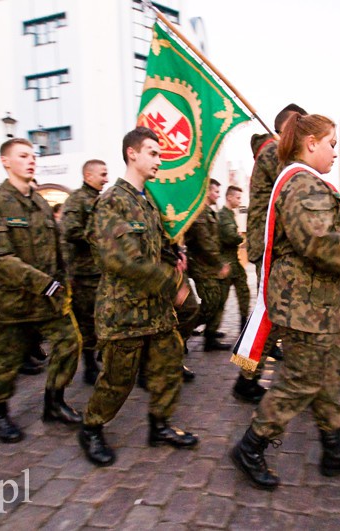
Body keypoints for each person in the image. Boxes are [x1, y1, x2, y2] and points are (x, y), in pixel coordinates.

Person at [231, 113, 340, 490]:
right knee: (299, 382)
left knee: (330, 378)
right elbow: (318, 244)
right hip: (305, 309)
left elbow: (335, 224)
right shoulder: (300, 184)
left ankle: (333, 451)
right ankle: (250, 447)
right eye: (331, 143)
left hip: (319, 308)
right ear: (310, 142)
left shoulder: (310, 184)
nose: (335, 153)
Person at [78, 127, 198, 467]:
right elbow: (123, 259)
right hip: (124, 311)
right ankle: (91, 427)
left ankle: (159, 425)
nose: (159, 160)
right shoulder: (112, 200)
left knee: (169, 366)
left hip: (156, 310)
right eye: (153, 153)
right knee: (117, 380)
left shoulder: (147, 202)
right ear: (132, 154)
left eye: (159, 154)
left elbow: (154, 248)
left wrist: (173, 257)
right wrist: (172, 284)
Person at [0, 138, 82, 443]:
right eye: (23, 156)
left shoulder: (39, 202)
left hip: (48, 297)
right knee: (6, 360)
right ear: (6, 162)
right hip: (10, 301)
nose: (31, 160)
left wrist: (64, 279)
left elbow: (58, 247)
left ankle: (54, 402)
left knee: (69, 342)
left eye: (33, 156)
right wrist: (44, 283)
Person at [236, 104, 307, 402]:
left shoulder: (276, 153)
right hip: (270, 248)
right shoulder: (273, 153)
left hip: (274, 246)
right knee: (268, 315)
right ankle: (245, 378)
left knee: (272, 315)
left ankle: (248, 373)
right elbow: (298, 188)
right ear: (287, 127)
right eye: (300, 125)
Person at [61, 159, 108, 385]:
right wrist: (97, 238)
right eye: (102, 174)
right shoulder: (77, 199)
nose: (106, 179)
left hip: (102, 270)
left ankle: (102, 353)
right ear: (88, 175)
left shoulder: (101, 200)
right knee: (88, 319)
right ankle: (89, 363)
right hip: (84, 273)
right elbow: (69, 230)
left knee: (104, 316)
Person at [185, 178, 231, 352]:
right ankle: (181, 332)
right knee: (210, 304)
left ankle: (210, 338)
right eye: (216, 191)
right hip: (202, 267)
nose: (218, 195)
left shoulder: (209, 212)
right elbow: (205, 243)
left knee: (218, 300)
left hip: (211, 266)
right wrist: (220, 264)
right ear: (207, 191)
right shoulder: (199, 213)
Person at [219, 185, 250, 330]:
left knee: (244, 292)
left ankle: (244, 323)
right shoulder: (223, 215)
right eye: (237, 198)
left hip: (234, 262)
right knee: (220, 300)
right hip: (226, 262)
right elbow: (230, 236)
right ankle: (209, 332)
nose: (239, 200)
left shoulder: (230, 214)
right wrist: (240, 237)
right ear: (229, 197)